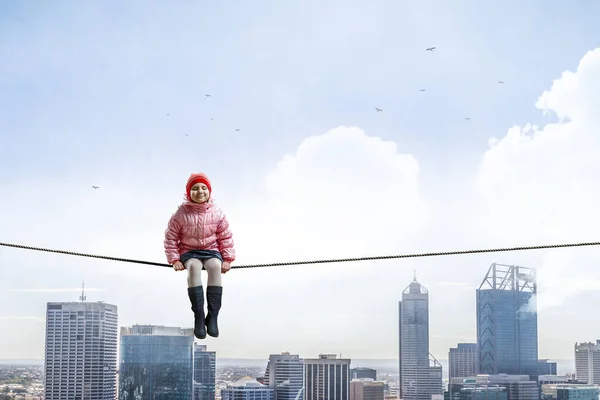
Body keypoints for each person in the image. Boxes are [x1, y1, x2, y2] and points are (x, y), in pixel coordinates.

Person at [164, 173, 235, 339]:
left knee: (215, 267)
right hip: (189, 250)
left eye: (204, 188)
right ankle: (198, 316)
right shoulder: (181, 213)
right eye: (195, 188)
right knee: (194, 267)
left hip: (211, 250)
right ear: (189, 193)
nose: (200, 191)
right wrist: (174, 259)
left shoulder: (217, 212)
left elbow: (226, 237)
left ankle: (213, 316)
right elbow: (171, 237)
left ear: (209, 191)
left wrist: (228, 259)